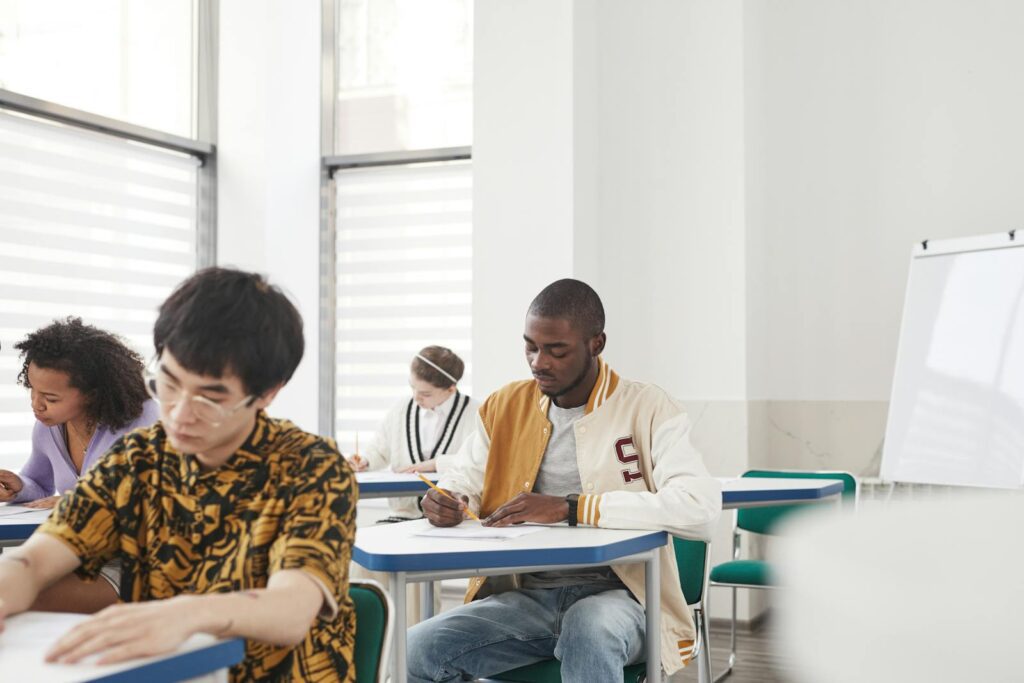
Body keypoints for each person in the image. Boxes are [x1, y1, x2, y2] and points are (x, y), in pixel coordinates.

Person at [0, 267, 358, 682]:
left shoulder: (312, 466)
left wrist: (186, 613)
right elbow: (36, 560)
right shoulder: (137, 460)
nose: (180, 414)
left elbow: (291, 609)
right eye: (168, 384)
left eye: (211, 397)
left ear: (268, 392)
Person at [407, 279, 722, 682]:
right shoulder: (505, 406)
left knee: (588, 627)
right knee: (417, 650)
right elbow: (463, 477)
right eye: (531, 347)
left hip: (625, 598)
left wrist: (571, 508)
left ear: (596, 343)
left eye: (557, 350)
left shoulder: (648, 407)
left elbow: (700, 508)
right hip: (529, 598)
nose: (539, 362)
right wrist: (446, 498)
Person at [0, 318, 159, 613]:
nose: (36, 404)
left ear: (93, 393)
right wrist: (18, 487)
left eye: (50, 397)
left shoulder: (142, 420)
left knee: (27, 598)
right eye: (32, 390)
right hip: (76, 555)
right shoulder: (50, 427)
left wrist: (78, 501)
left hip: (138, 566)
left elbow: (152, 501)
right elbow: (41, 487)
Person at [349, 345, 479, 521]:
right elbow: (379, 451)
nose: (416, 398)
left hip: (451, 522)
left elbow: (480, 462)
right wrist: (365, 461)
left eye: (425, 393)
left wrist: (436, 464)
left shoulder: (475, 413)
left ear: (451, 389)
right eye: (413, 388)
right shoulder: (401, 409)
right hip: (400, 518)